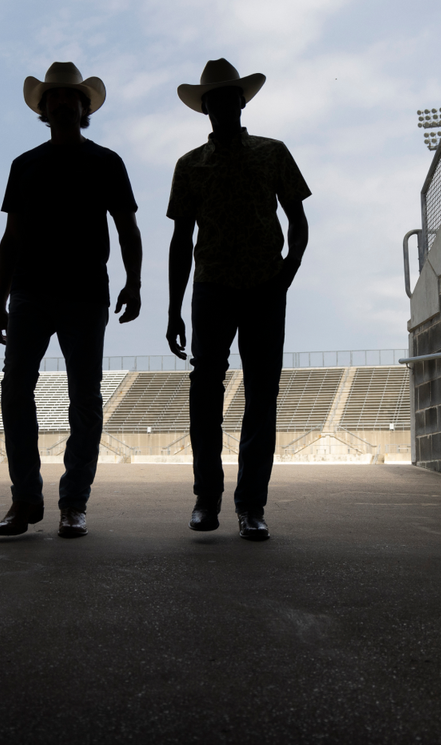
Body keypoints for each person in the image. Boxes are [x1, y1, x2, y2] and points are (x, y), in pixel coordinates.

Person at [0, 62, 142, 538]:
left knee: (85, 399)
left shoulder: (106, 162)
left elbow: (127, 227)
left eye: (70, 97)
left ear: (84, 107)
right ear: (43, 108)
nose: (61, 103)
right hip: (29, 293)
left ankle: (74, 502)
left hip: (84, 294)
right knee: (15, 391)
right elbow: (11, 237)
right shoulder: (26, 165)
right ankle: (25, 499)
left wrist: (134, 282)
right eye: (53, 97)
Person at [165, 59, 310, 541]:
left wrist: (286, 271)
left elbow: (297, 219)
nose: (222, 106)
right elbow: (181, 240)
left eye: (229, 98)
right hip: (211, 287)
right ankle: (207, 499)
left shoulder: (273, 153)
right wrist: (172, 307)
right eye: (214, 100)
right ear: (205, 108)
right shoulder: (189, 165)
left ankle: (251, 504)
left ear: (241, 102)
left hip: (264, 284)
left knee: (261, 393)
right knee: (205, 391)